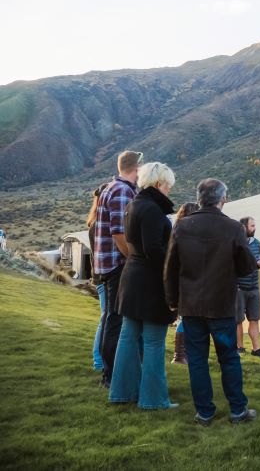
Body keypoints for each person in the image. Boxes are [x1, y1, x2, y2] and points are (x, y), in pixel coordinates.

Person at [164, 178, 258, 426]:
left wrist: (173, 301)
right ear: (222, 199)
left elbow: (171, 267)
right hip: (222, 305)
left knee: (197, 360)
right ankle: (238, 410)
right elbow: (247, 266)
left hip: (191, 305)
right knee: (228, 358)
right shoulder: (233, 228)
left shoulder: (182, 227)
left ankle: (204, 412)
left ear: (199, 198)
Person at [109, 162, 178, 409]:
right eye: (168, 186)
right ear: (159, 184)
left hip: (132, 278)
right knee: (153, 341)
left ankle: (122, 393)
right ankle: (153, 400)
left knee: (128, 338)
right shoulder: (151, 210)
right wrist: (174, 267)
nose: (169, 191)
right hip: (150, 283)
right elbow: (154, 249)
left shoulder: (132, 206)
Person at [93, 150, 142, 388]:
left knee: (112, 319)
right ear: (137, 168)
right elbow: (119, 233)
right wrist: (135, 258)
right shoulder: (122, 191)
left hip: (107, 264)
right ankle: (111, 375)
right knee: (115, 321)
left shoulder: (112, 188)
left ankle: (110, 372)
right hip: (117, 264)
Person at [235, 217, 260, 358]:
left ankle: (257, 349)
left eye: (255, 225)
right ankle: (239, 347)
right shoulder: (236, 244)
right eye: (252, 226)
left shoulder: (257, 243)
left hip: (254, 287)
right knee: (238, 320)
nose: (254, 228)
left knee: (254, 319)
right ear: (244, 227)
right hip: (239, 288)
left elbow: (259, 260)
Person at [170, 202, 198, 365]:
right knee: (185, 319)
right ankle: (180, 355)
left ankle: (182, 354)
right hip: (186, 280)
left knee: (185, 318)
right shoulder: (188, 234)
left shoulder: (176, 231)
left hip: (180, 280)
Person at [86, 184, 109, 372]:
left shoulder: (95, 222)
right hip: (104, 278)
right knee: (106, 318)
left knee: (107, 318)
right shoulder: (99, 225)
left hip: (100, 277)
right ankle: (99, 361)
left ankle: (101, 360)